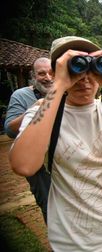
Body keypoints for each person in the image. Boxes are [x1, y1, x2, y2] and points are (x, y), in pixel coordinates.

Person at [8, 36, 102, 251]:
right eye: (74, 68)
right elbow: (24, 165)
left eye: (91, 68)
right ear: (56, 73)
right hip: (79, 243)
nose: (84, 78)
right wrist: (59, 85)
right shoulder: (42, 114)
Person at [4, 57, 53, 223]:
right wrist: (35, 109)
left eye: (51, 72)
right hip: (39, 168)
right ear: (33, 75)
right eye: (42, 73)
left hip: (64, 159)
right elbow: (9, 129)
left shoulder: (66, 92)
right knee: (50, 207)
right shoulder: (21, 95)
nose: (47, 77)